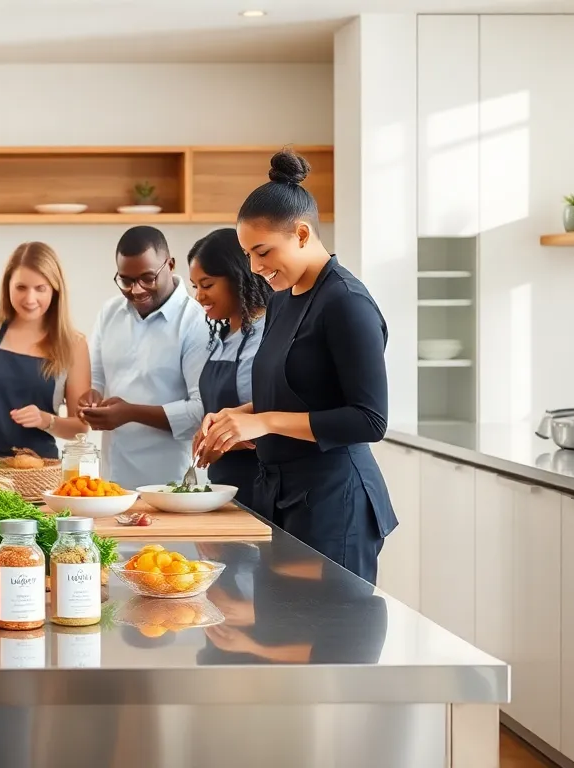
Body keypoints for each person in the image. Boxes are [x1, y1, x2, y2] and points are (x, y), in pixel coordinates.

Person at [198, 148, 398, 584]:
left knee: (328, 626)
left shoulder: (346, 302)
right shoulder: (282, 301)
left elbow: (369, 420)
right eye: (247, 254)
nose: (255, 267)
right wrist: (237, 417)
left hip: (336, 503)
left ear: (302, 234)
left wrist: (264, 422)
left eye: (263, 251)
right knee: (279, 621)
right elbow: (294, 394)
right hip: (283, 497)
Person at [78, 226, 208, 491]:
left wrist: (130, 413)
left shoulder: (196, 320)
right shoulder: (110, 312)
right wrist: (91, 398)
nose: (136, 290)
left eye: (147, 278)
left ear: (170, 265)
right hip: (113, 480)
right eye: (126, 280)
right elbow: (97, 379)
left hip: (172, 483)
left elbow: (200, 410)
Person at [0, 242, 90, 459]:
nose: (29, 299)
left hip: (39, 470)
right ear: (8, 286)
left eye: (40, 288)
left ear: (55, 290)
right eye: (21, 287)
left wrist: (45, 420)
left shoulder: (74, 345)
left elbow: (80, 428)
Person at [186, 228, 271, 509]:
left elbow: (277, 415)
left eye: (207, 285)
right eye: (195, 286)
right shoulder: (222, 338)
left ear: (237, 278)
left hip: (261, 482)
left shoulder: (269, 333)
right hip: (222, 486)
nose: (199, 296)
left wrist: (223, 442)